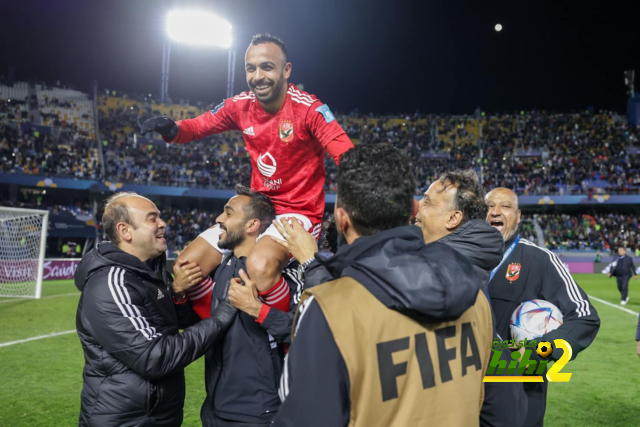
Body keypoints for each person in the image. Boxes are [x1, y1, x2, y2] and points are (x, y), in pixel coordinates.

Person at [273, 144, 493, 426]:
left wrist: (310, 265)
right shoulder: (476, 295)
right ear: (411, 210)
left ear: (342, 220)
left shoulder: (328, 308)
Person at [140, 33, 353, 299]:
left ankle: (284, 334)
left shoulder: (309, 109)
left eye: (267, 67)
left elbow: (347, 156)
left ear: (286, 70)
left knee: (260, 266)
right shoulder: (240, 106)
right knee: (186, 266)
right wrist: (173, 129)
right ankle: (222, 331)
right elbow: (198, 126)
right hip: (258, 208)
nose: (257, 76)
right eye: (250, 68)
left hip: (299, 213)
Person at [74, 192, 237, 427]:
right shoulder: (112, 283)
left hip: (157, 414)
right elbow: (154, 357)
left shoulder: (151, 273)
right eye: (152, 219)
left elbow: (169, 324)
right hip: (126, 419)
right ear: (125, 231)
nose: (163, 224)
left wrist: (178, 294)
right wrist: (221, 318)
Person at [181, 185, 303, 426]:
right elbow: (202, 322)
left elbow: (303, 331)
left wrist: (258, 310)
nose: (218, 219)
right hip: (214, 408)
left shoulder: (280, 275)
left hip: (256, 413)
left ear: (251, 225)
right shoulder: (222, 268)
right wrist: (179, 293)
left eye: (228, 213)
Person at [485, 187, 601, 427]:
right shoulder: (461, 259)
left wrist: (542, 350)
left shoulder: (540, 259)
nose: (495, 211)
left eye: (505, 206)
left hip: (519, 394)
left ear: (518, 216)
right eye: (489, 207)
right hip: (468, 392)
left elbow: (584, 316)